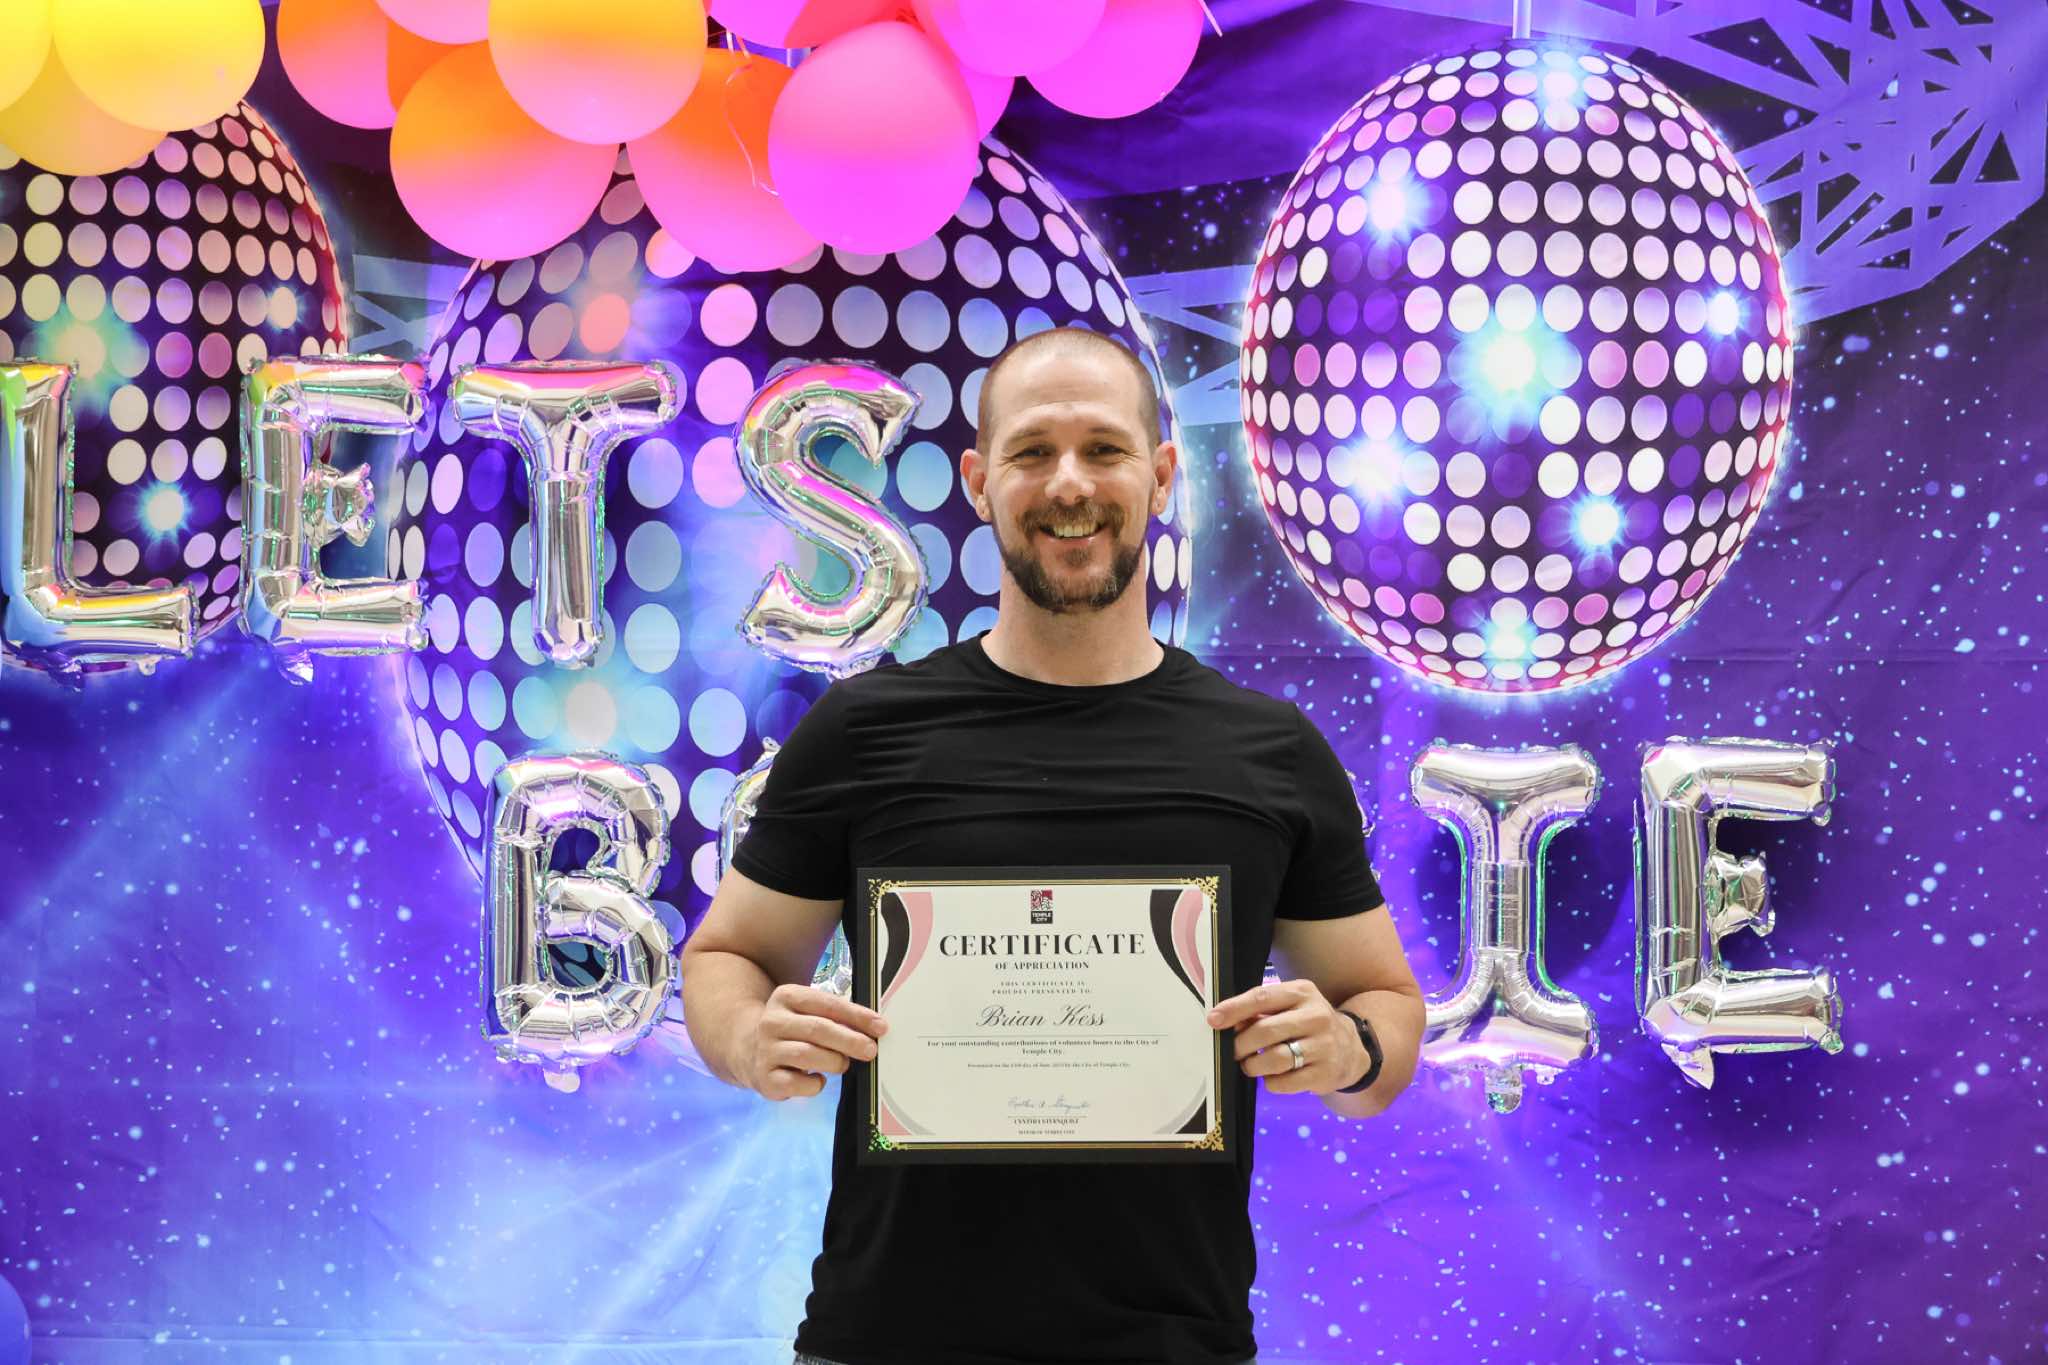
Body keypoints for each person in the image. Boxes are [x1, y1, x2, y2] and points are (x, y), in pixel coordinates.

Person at [679, 326, 1425, 1365]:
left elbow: (1385, 1007)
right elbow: (726, 958)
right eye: (1032, 452)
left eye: (1103, 448)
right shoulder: (862, 731)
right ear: (980, 483)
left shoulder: (1271, 752)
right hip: (885, 1342)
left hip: (1174, 1347)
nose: (1069, 483)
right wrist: (749, 1038)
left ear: (1160, 476)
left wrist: (1346, 1050)